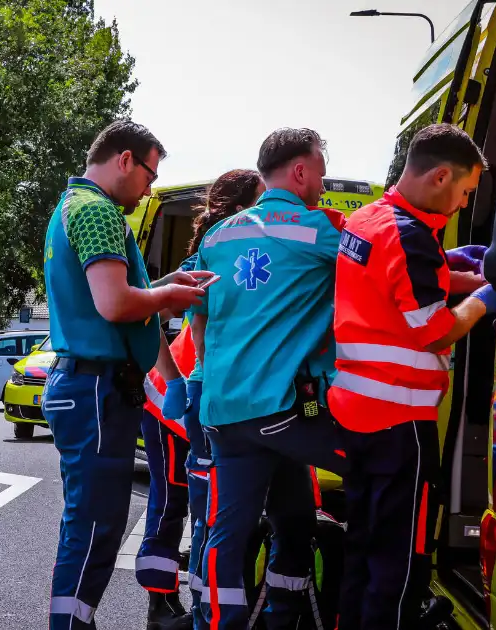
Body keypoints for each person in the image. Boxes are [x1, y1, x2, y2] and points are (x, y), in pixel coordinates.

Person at [43, 120, 209, 630]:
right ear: (124, 160)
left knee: (98, 522)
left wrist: (161, 285)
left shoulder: (76, 207)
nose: (149, 189)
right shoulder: (96, 212)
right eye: (149, 175)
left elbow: (114, 298)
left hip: (93, 385)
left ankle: (75, 621)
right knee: (94, 525)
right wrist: (170, 296)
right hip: (95, 388)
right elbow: (116, 303)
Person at [330, 124, 495, 630]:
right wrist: (483, 301)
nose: (466, 205)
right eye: (466, 192)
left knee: (362, 544)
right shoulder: (411, 236)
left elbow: (390, 279)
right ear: (441, 176)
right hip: (401, 424)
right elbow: (435, 332)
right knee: (400, 561)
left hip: (357, 416)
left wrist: (448, 271)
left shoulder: (367, 219)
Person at [191, 129, 350, 630]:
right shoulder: (316, 231)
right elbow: (385, 272)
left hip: (224, 411)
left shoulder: (217, 236)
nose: (322, 183)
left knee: (267, 526)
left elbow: (195, 310)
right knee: (382, 467)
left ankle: (224, 622)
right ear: (299, 171)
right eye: (320, 171)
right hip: (279, 412)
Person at [135, 169, 264, 629]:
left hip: (202, 396)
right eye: (262, 197)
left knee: (199, 504)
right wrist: (176, 387)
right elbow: (149, 314)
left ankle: (191, 603)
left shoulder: (236, 252)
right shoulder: (218, 253)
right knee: (172, 499)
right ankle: (158, 604)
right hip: (175, 396)